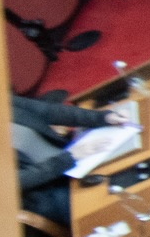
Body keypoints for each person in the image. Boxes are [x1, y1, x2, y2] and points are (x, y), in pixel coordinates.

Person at [13, 94, 119, 227]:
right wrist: (70, 157)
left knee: (128, 167)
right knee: (111, 214)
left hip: (74, 155)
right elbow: (17, 181)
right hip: (51, 191)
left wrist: (103, 117)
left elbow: (48, 111)